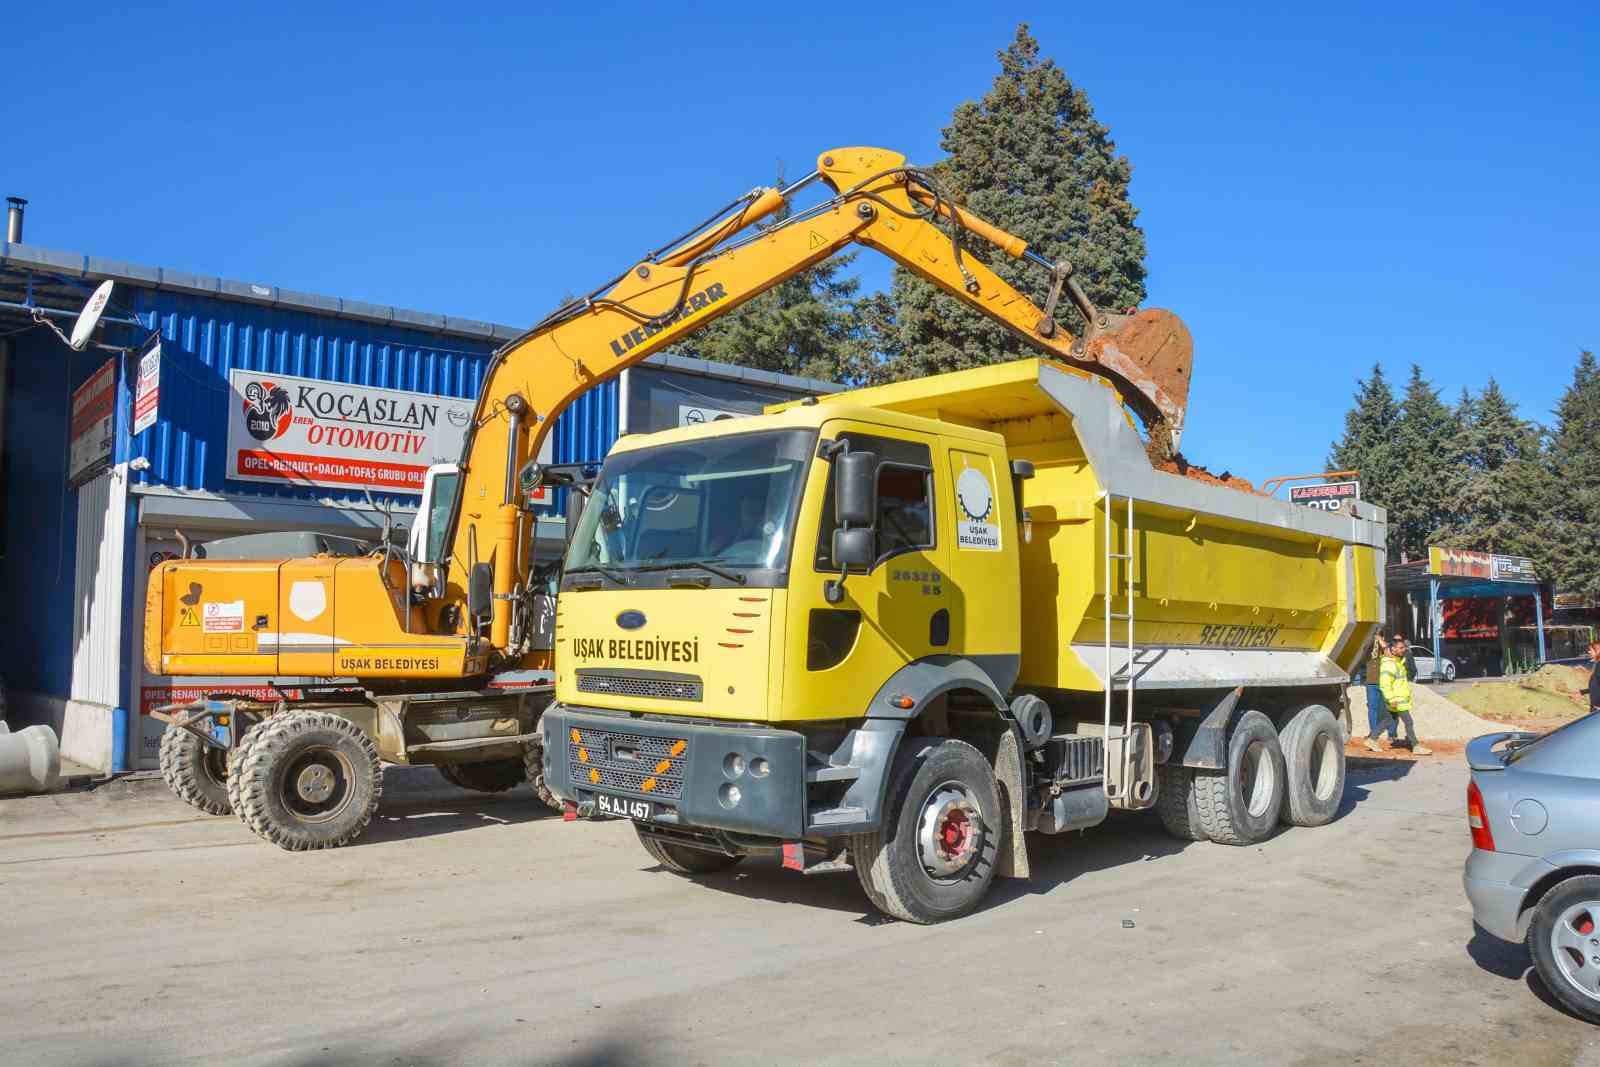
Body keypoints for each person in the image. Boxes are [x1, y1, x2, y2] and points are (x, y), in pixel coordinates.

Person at [1371, 635, 1433, 755]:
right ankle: (1415, 746)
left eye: (1404, 647)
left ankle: (1372, 739)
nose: (1403, 650)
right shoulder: (1389, 664)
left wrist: (1382, 642)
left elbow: (1387, 647)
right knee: (1408, 722)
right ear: (1393, 649)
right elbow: (1385, 684)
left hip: (1399, 698)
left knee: (1388, 720)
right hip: (1396, 699)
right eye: (1400, 648)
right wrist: (1391, 699)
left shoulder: (1397, 661)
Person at [1363, 629, 1394, 746]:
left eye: (1378, 636)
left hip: (1385, 683)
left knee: (1388, 709)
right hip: (1371, 682)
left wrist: (1380, 640)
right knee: (1372, 708)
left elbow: (1389, 653)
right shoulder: (1369, 648)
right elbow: (1363, 650)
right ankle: (1373, 733)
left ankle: (1391, 734)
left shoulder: (1386, 648)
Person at [1581, 640, 1600, 715]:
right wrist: (1582, 692)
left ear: (1597, 651)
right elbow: (1596, 686)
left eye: (1590, 650)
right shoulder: (1597, 665)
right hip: (1595, 707)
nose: (1589, 652)